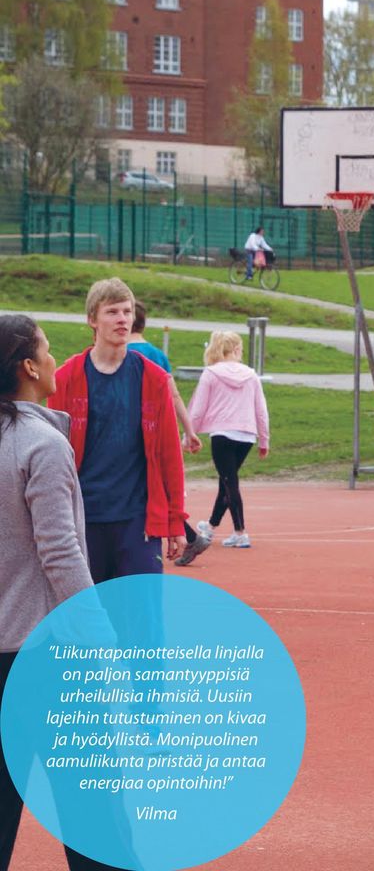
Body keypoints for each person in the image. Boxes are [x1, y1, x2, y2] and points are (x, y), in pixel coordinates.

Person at [0, 315, 118, 871]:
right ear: (28, 367)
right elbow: (61, 551)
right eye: (46, 349)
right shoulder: (43, 445)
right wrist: (100, 636)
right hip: (45, 654)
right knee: (94, 811)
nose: (53, 358)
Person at [49, 278, 187, 580]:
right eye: (112, 312)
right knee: (88, 617)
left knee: (141, 616)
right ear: (92, 320)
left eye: (127, 311)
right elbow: (50, 458)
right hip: (82, 520)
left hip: (137, 522)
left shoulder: (154, 379)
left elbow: (168, 455)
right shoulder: (65, 379)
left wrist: (176, 521)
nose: (123, 319)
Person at [127, 301, 210, 564]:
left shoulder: (116, 352)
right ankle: (188, 536)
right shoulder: (157, 355)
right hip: (156, 431)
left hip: (130, 435)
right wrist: (189, 429)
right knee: (157, 488)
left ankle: (182, 537)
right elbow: (174, 395)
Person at [186, 331, 269, 552]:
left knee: (229, 481)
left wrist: (189, 435)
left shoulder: (211, 374)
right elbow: (261, 410)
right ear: (235, 349)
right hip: (246, 436)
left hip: (222, 434)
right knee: (227, 481)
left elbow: (197, 408)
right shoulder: (251, 375)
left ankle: (240, 532)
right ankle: (212, 525)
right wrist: (264, 439)